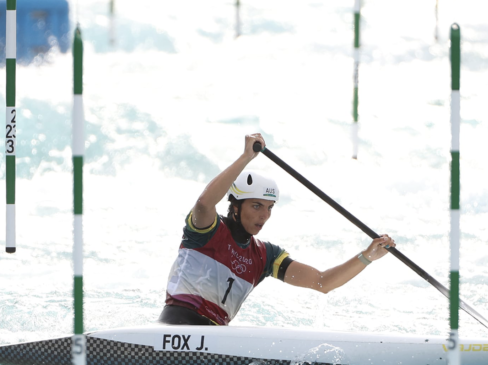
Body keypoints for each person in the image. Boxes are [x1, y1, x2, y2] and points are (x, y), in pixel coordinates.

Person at [159, 133, 396, 326]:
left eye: (270, 207)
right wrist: (245, 158)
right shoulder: (206, 230)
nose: (264, 215)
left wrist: (367, 257)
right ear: (235, 207)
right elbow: (204, 203)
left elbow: (322, 282)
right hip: (173, 327)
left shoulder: (265, 256)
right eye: (256, 206)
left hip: (217, 340)